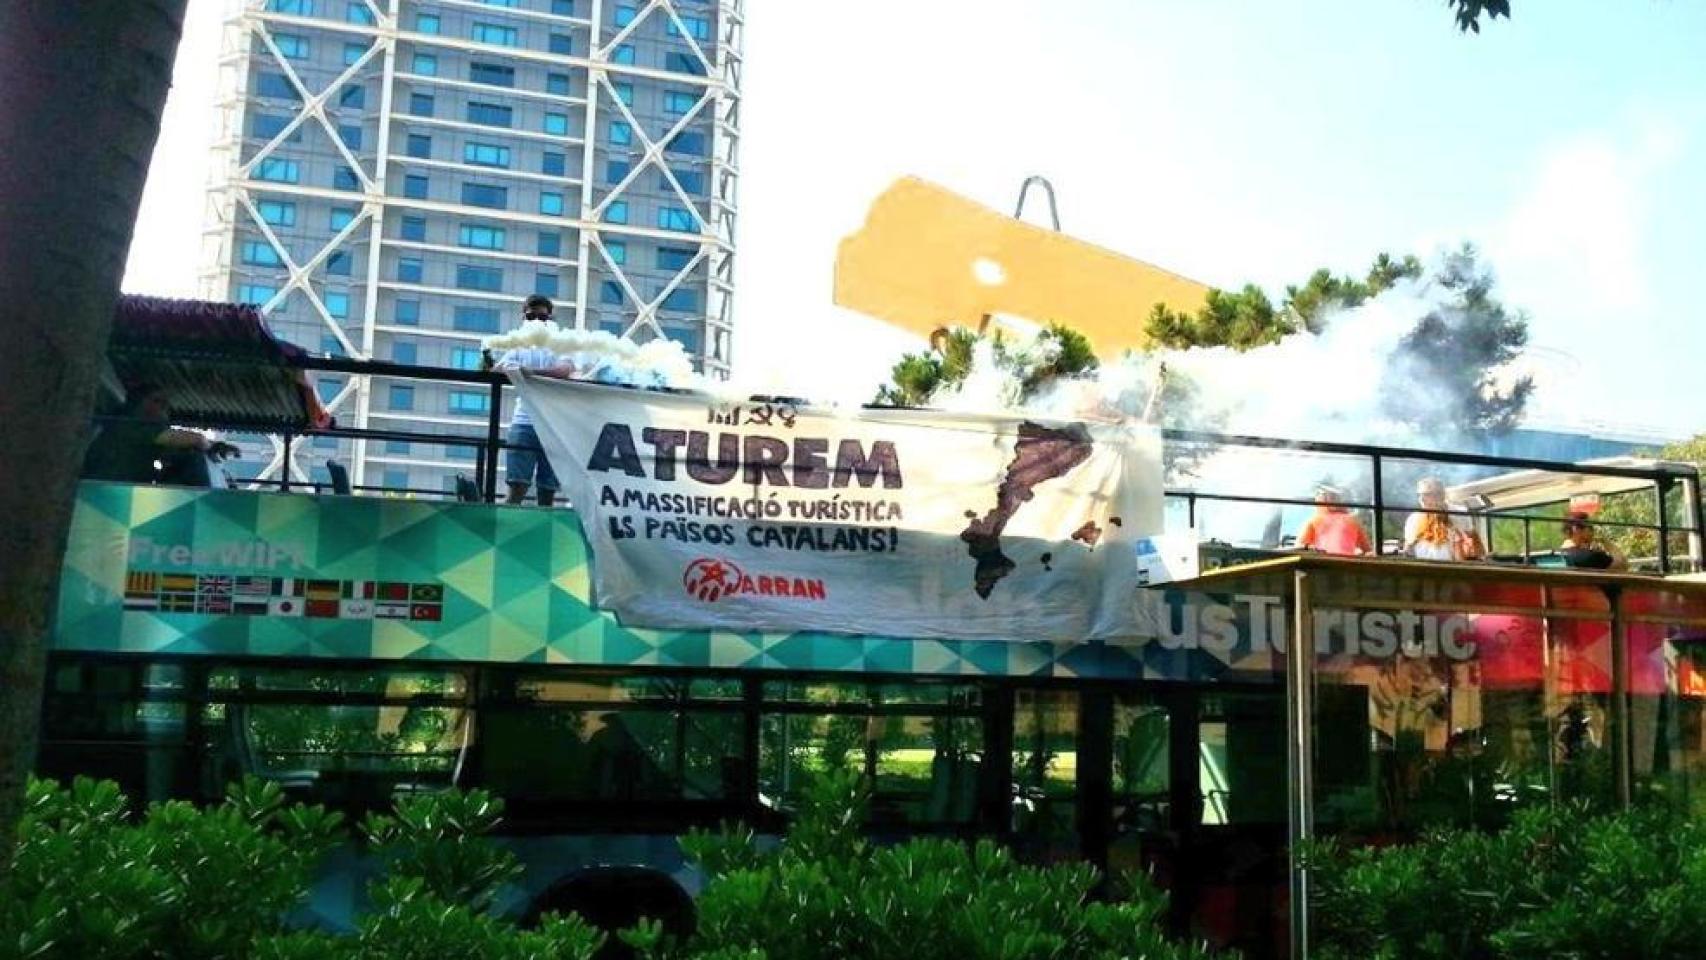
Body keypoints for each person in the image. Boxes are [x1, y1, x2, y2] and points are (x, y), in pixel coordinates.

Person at [83, 383, 239, 487]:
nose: (165, 407)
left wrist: (214, 449)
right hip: (101, 489)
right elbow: (191, 439)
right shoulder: (130, 425)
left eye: (165, 403)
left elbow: (173, 452)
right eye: (157, 401)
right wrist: (206, 442)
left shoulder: (149, 433)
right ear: (138, 403)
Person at [491, 295, 562, 506]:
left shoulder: (559, 342)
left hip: (554, 424)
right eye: (531, 317)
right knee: (517, 488)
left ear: (550, 319)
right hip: (525, 421)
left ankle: (540, 537)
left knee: (547, 492)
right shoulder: (519, 346)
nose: (537, 322)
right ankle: (505, 534)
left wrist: (530, 373)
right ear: (523, 317)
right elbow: (499, 368)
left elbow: (567, 369)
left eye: (542, 317)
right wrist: (494, 365)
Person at [1403, 477, 1480, 561]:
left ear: (1441, 495)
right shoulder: (1413, 519)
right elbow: (1408, 547)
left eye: (1427, 494)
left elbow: (1473, 543)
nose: (1422, 499)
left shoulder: (1459, 513)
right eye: (1420, 495)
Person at [1297, 485, 1373, 556]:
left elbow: (1299, 548)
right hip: (1347, 564)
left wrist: (1312, 548)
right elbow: (1368, 550)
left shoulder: (1314, 520)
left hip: (1322, 563)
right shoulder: (1353, 521)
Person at [1559, 513, 1626, 570]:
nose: (1593, 532)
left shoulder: (1557, 557)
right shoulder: (1592, 556)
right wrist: (1609, 545)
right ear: (1576, 529)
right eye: (1590, 527)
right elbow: (1622, 565)